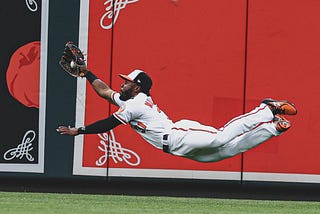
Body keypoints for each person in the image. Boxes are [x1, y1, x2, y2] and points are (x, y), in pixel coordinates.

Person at [56, 68, 297, 162]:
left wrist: (80, 130)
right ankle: (273, 128)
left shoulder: (135, 104)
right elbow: (105, 92)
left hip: (178, 134)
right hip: (174, 147)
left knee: (221, 138)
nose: (122, 85)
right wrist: (86, 73)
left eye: (128, 83)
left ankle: (266, 109)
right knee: (227, 151)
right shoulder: (130, 101)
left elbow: (109, 123)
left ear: (137, 87)